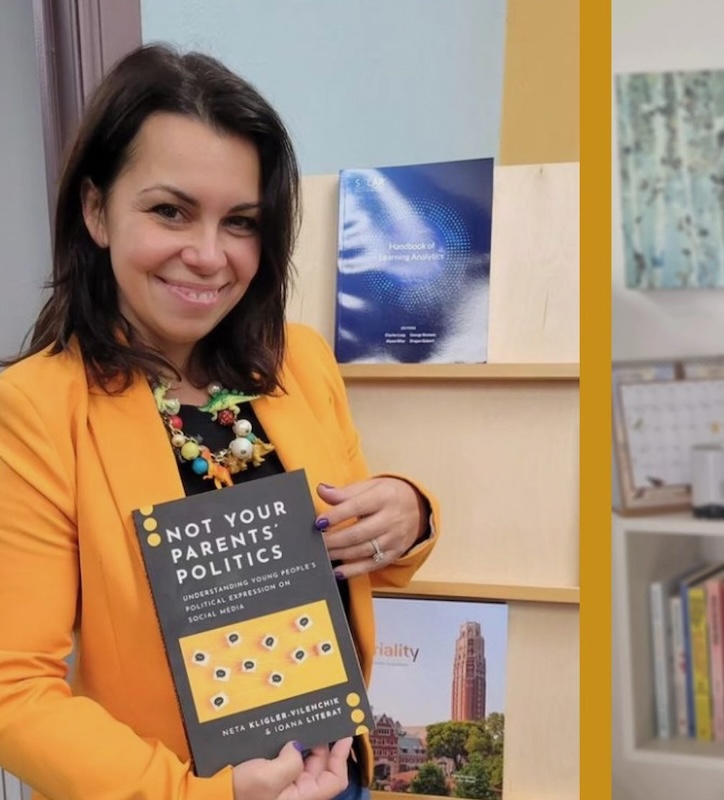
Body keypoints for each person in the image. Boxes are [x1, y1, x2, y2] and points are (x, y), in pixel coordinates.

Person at [0, 45, 439, 800]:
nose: (209, 256)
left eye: (241, 222)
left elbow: (359, 556)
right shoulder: (38, 408)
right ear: (97, 210)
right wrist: (204, 795)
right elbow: (14, 692)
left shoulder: (297, 361)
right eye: (170, 211)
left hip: (338, 778)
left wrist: (409, 511)